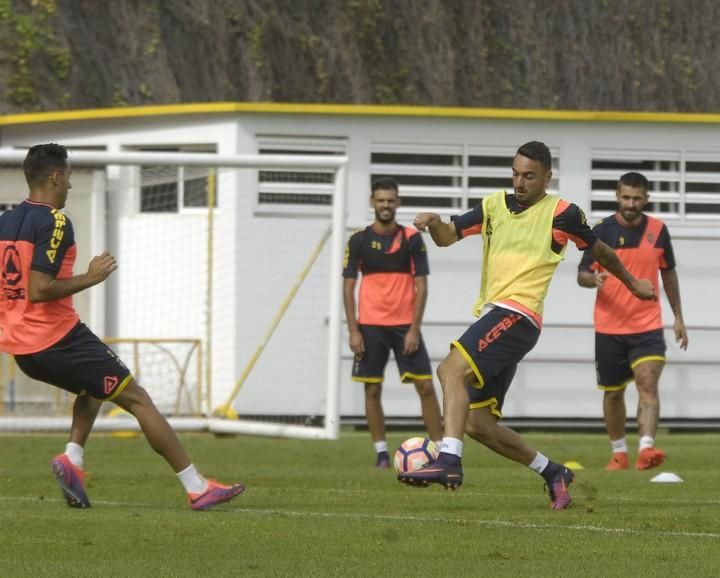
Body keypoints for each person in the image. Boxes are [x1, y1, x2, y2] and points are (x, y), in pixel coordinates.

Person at [396, 141, 656, 510]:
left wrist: (631, 283)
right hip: (498, 315)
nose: (520, 182)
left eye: (529, 176)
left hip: (519, 315)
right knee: (478, 424)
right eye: (516, 174)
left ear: (547, 177)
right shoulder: (492, 206)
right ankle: (553, 472)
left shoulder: (562, 213)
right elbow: (449, 236)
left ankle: (449, 460)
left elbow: (598, 251)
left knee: (450, 370)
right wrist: (435, 223)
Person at [0, 143, 244, 510]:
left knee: (96, 387)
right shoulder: (55, 222)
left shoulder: (5, 221)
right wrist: (91, 276)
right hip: (56, 338)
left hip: (22, 348)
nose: (68, 184)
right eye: (66, 176)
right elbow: (40, 289)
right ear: (54, 176)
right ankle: (197, 487)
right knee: (138, 399)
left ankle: (73, 459)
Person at [577, 172, 688, 471]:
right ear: (617, 196)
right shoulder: (600, 231)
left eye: (637, 198)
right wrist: (594, 279)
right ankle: (619, 453)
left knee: (647, 383)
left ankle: (647, 450)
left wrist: (678, 317)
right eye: (626, 197)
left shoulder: (658, 230)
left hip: (647, 325)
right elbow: (582, 275)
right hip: (609, 327)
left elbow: (669, 274)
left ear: (646, 199)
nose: (631, 203)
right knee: (613, 393)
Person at [343, 177, 443, 468]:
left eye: (390, 200)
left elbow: (421, 286)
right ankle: (381, 454)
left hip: (404, 327)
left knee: (425, 386)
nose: (385, 205)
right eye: (380, 200)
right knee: (372, 389)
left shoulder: (412, 238)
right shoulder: (358, 240)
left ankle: (440, 453)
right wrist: (353, 330)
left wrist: (414, 328)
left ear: (397, 202)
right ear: (372, 202)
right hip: (370, 327)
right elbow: (348, 287)